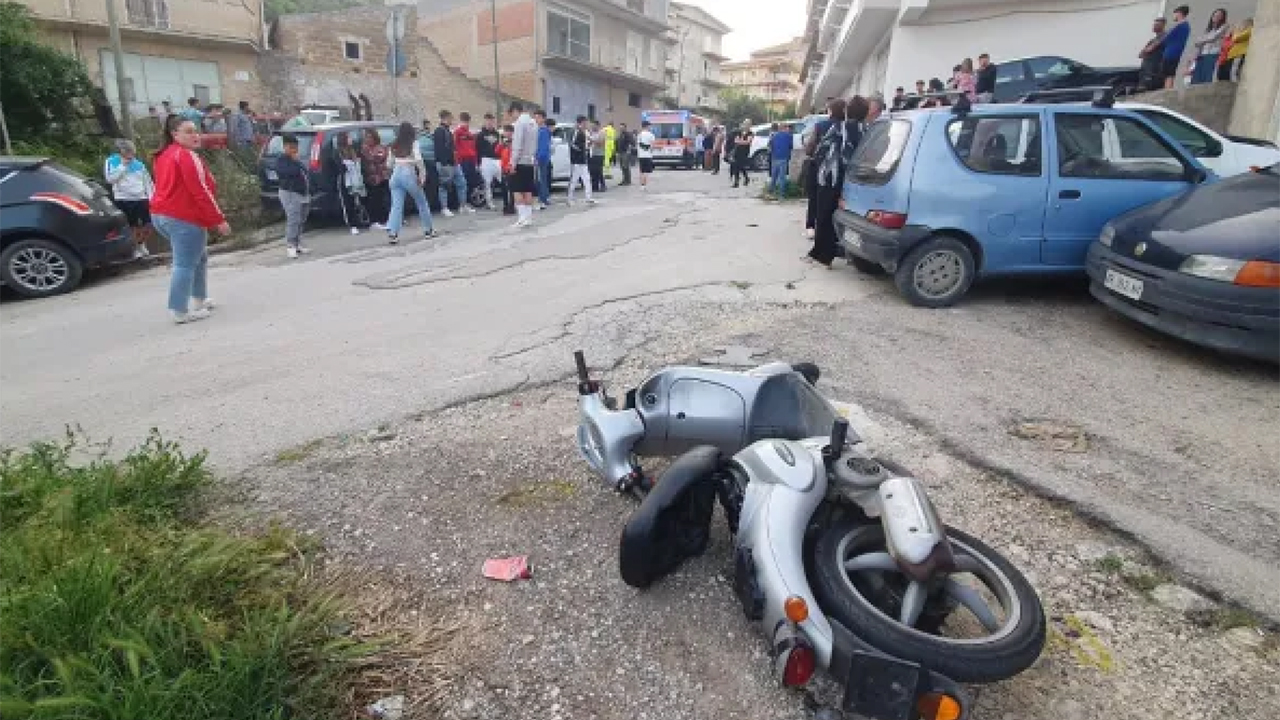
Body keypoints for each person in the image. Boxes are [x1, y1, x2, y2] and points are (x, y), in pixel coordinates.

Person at [150, 115, 229, 324]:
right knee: (184, 263)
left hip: (162, 214)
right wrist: (218, 219)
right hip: (182, 216)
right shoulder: (185, 156)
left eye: (196, 131)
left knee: (198, 257)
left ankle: (200, 298)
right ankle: (179, 310)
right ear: (175, 134)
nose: (195, 135)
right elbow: (200, 191)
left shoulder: (164, 154)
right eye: (189, 131)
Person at [807, 96, 868, 268]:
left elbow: (821, 150)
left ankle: (823, 255)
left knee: (824, 216)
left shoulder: (840, 128)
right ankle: (845, 253)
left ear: (848, 111)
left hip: (831, 179)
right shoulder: (869, 130)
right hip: (856, 181)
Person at [384, 121, 436, 244]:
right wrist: (422, 175)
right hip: (409, 172)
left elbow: (389, 164)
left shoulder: (394, 144)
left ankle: (393, 233)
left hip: (396, 173)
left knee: (396, 205)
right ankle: (428, 230)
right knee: (421, 202)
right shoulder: (413, 143)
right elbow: (418, 160)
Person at [105, 139, 156, 259]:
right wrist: (123, 166)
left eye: (132, 153)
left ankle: (141, 243)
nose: (131, 155)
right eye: (128, 152)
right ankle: (137, 248)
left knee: (149, 225)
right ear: (122, 151)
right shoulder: (111, 161)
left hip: (141, 198)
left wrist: (152, 197)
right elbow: (110, 179)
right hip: (123, 198)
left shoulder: (139, 164)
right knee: (132, 226)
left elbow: (147, 182)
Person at [804, 99, 845, 239]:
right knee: (832, 201)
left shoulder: (820, 126)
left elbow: (810, 148)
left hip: (819, 167)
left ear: (831, 111)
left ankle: (811, 226)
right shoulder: (846, 127)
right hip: (838, 170)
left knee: (814, 198)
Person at [275, 134, 311, 258]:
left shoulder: (296, 160)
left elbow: (305, 171)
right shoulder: (281, 159)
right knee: (293, 219)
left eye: (296, 147)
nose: (294, 150)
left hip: (302, 192)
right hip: (290, 193)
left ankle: (298, 243)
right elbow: (289, 172)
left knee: (302, 219)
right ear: (285, 147)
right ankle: (290, 245)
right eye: (291, 147)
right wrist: (295, 162)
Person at [508, 101, 539, 228]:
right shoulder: (533, 123)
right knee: (528, 190)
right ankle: (528, 218)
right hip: (530, 160)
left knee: (517, 190)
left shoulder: (520, 123)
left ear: (516, 110)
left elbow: (517, 145)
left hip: (520, 160)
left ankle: (521, 218)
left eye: (512, 113)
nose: (512, 116)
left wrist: (512, 163)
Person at [334, 132, 369, 234]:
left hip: (356, 180)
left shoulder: (352, 150)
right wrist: (347, 165)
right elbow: (339, 168)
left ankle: (361, 221)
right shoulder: (338, 152)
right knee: (347, 202)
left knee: (358, 201)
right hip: (346, 181)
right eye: (348, 137)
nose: (351, 139)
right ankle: (352, 225)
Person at [359, 128, 391, 228]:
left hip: (383, 176)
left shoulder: (381, 147)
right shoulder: (364, 148)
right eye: (366, 137)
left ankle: (385, 218)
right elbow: (373, 158)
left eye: (370, 137)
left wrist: (380, 157)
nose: (368, 139)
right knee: (374, 199)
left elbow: (384, 156)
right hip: (372, 177)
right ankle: (374, 220)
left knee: (384, 198)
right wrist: (379, 157)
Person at [434, 110, 463, 216]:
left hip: (452, 163)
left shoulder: (447, 131)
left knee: (461, 182)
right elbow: (440, 149)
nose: (452, 120)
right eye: (451, 118)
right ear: (445, 118)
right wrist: (444, 163)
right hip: (445, 163)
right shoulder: (439, 131)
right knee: (444, 185)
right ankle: (444, 208)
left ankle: (462, 205)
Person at [1191, 8, 1228, 84]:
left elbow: (1213, 38)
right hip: (1203, 54)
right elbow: (1198, 44)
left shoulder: (1224, 26)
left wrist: (1201, 41)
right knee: (1197, 77)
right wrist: (1196, 54)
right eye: (1215, 14)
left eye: (1219, 15)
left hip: (1213, 53)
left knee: (1207, 76)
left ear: (1223, 18)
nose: (1216, 16)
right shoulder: (1208, 29)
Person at [454, 112, 479, 212]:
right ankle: (461, 204)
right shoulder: (457, 132)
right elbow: (455, 147)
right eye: (464, 121)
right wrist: (457, 160)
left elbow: (474, 149)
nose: (466, 123)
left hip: (471, 160)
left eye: (467, 121)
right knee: (462, 183)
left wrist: (476, 162)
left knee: (470, 183)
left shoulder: (470, 134)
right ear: (460, 121)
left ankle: (466, 203)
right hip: (462, 160)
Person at [477, 113, 503, 210]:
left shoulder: (497, 134)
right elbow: (477, 149)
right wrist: (478, 163)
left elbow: (499, 146)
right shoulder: (480, 135)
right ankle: (489, 202)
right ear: (485, 121)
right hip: (486, 160)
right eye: (488, 121)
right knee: (487, 183)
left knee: (504, 179)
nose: (490, 123)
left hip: (497, 160)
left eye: (492, 121)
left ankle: (509, 200)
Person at [567, 115, 594, 205]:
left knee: (587, 179)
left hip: (583, 160)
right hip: (577, 161)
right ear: (581, 122)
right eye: (585, 122)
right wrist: (580, 150)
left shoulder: (583, 132)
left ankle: (588, 197)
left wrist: (586, 147)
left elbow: (582, 145)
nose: (587, 124)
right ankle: (570, 198)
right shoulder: (576, 131)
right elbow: (572, 144)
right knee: (574, 180)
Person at [1163, 5, 1191, 89]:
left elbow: (1166, 38)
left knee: (1169, 75)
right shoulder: (1183, 25)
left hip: (1172, 53)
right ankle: (1167, 90)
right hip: (1171, 52)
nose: (1174, 16)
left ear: (1179, 13)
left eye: (1175, 14)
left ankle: (1167, 92)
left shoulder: (1181, 25)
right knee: (1168, 74)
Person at [1139, 17, 1170, 92]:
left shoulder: (1165, 37)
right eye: (1154, 24)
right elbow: (1140, 54)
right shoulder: (1152, 40)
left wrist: (1147, 51)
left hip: (1155, 72)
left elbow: (1149, 49)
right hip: (1146, 71)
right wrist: (1146, 51)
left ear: (1163, 25)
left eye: (1157, 25)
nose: (1154, 26)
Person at [1219, 17, 1251, 82]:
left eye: (1243, 24)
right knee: (1231, 70)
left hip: (1239, 53)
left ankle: (1234, 83)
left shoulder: (1250, 30)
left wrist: (1236, 32)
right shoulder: (1240, 32)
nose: (1241, 26)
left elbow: (1235, 38)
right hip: (1233, 54)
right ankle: (1233, 81)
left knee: (1235, 69)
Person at [767, 122, 793, 197]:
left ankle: (771, 191)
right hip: (784, 158)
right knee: (782, 177)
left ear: (779, 128)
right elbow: (790, 146)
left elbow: (769, 146)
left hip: (775, 158)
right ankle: (781, 194)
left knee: (774, 176)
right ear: (784, 128)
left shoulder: (774, 136)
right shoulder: (789, 136)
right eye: (786, 127)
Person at [534, 112, 553, 209]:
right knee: (541, 179)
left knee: (541, 180)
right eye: (535, 117)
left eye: (538, 117)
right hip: (540, 157)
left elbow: (543, 147)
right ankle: (543, 198)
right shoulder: (539, 130)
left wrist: (538, 158)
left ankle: (543, 200)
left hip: (542, 158)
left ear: (543, 119)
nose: (536, 119)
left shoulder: (544, 131)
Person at [498, 125, 516, 216]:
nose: (507, 133)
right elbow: (496, 152)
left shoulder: (515, 142)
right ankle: (505, 206)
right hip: (504, 167)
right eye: (506, 131)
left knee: (512, 188)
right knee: (504, 188)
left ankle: (512, 206)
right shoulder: (503, 143)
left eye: (509, 132)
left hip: (512, 167)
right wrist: (502, 143)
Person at [635, 120, 656, 190]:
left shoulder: (639, 135)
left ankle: (641, 185)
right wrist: (651, 151)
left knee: (641, 171)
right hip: (648, 156)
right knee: (646, 172)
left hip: (641, 155)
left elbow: (638, 145)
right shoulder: (651, 135)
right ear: (647, 126)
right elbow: (652, 146)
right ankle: (644, 185)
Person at [731, 122, 752, 188]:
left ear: (749, 126)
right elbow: (735, 141)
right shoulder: (739, 132)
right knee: (737, 165)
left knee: (740, 166)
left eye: (747, 124)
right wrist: (742, 141)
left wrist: (740, 141)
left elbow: (748, 142)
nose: (745, 126)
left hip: (744, 152)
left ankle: (745, 178)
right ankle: (737, 182)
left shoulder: (750, 133)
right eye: (744, 124)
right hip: (738, 151)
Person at [588, 120, 607, 193]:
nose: (592, 127)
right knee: (592, 171)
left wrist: (591, 140)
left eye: (594, 126)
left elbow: (601, 143)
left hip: (599, 154)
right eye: (592, 126)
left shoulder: (602, 133)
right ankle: (594, 186)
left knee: (599, 171)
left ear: (598, 126)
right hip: (592, 154)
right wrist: (589, 142)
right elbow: (590, 142)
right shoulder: (592, 133)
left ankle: (603, 185)